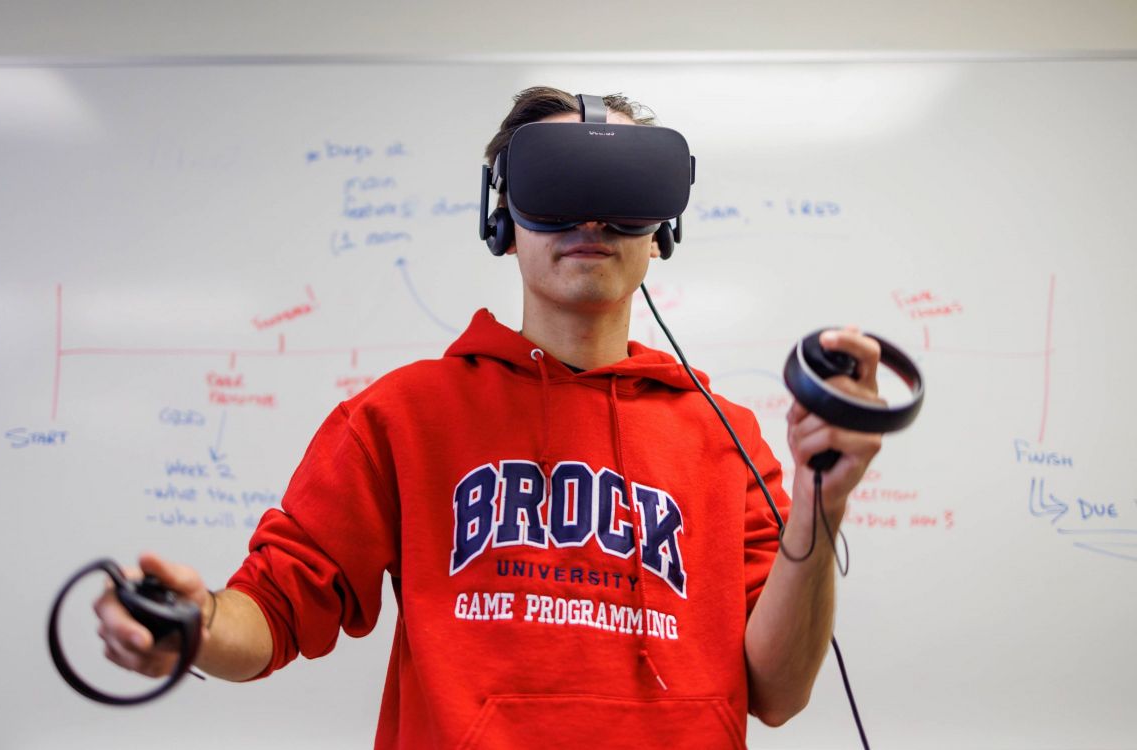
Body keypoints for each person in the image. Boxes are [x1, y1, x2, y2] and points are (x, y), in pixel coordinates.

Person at [95, 86, 884, 748]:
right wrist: (191, 624)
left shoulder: (725, 436)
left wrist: (823, 502)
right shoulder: (402, 417)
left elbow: (778, 692)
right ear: (502, 221)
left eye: (622, 195)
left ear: (662, 230)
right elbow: (272, 611)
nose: (590, 222)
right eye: (557, 189)